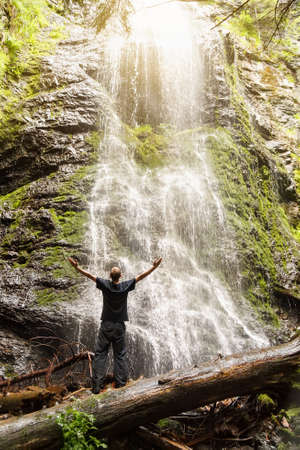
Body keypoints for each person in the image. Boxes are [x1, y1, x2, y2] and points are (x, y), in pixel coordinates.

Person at [68, 256, 162, 393]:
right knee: (120, 355)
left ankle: (96, 387)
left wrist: (77, 267)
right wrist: (154, 267)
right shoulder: (125, 286)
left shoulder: (105, 285)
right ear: (121, 276)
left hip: (106, 325)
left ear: (109, 276)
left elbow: (89, 275)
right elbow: (141, 277)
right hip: (119, 326)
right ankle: (120, 385)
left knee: (100, 355)